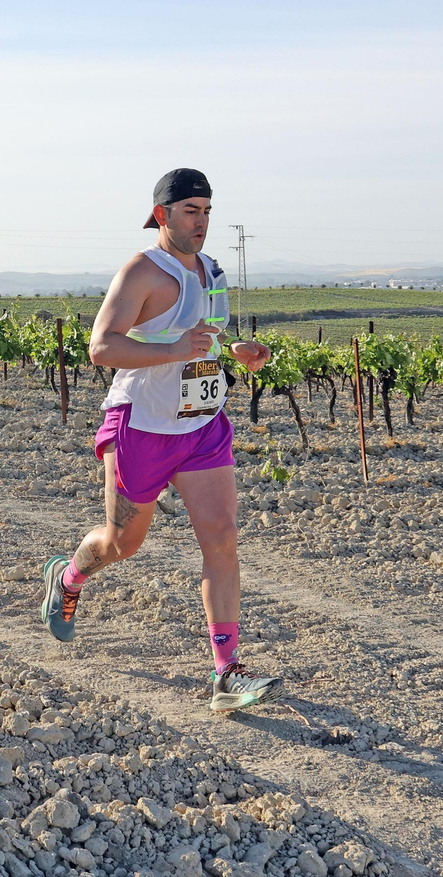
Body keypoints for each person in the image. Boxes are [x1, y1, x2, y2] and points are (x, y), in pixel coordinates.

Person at [38, 168, 280, 714]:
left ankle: (226, 672)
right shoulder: (142, 272)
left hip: (201, 425)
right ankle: (69, 574)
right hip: (142, 426)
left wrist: (235, 352)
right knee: (122, 545)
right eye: (191, 210)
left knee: (221, 539)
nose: (202, 221)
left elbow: (205, 339)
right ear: (161, 215)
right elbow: (102, 348)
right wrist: (176, 350)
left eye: (208, 211)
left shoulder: (212, 271)